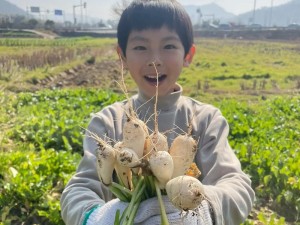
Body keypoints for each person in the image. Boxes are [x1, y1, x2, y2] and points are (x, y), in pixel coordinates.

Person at [60, 0, 255, 224]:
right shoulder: (107, 122)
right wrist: (94, 218)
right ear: (122, 55)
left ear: (188, 55)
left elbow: (237, 186)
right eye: (140, 47)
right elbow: (78, 190)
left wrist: (203, 211)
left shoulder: (207, 120)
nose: (155, 61)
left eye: (169, 46)